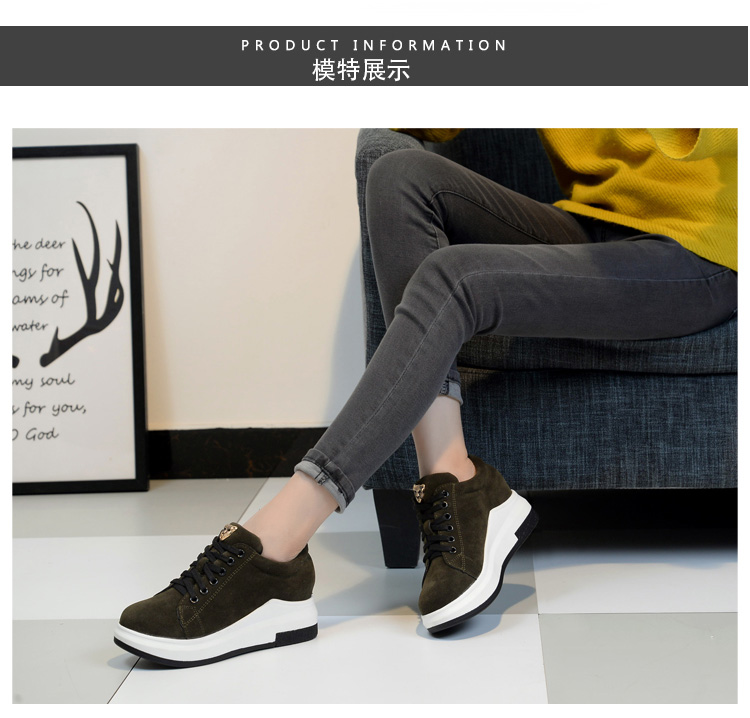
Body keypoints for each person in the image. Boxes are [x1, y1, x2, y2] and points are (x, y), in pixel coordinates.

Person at [114, 128, 738, 667]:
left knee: (457, 279)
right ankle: (455, 479)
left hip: (702, 249)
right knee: (400, 175)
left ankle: (277, 544)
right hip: (594, 223)